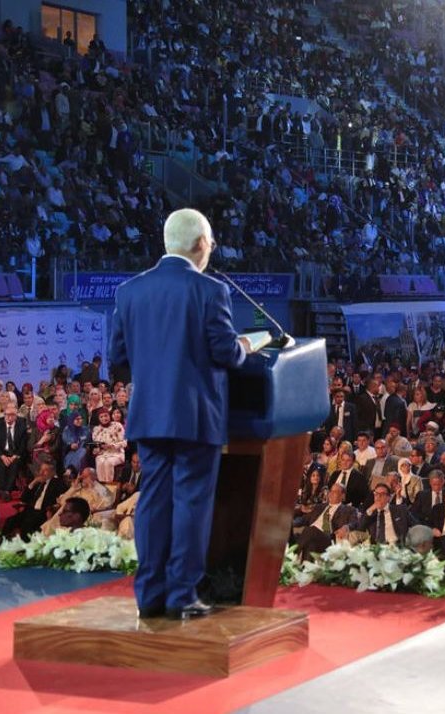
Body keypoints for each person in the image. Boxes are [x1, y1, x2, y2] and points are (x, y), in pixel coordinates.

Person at [108, 208, 254, 620]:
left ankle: (149, 595)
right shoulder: (209, 290)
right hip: (194, 416)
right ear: (200, 244)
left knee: (153, 501)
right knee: (191, 501)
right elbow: (226, 352)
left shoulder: (129, 291)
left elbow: (117, 357)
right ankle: (181, 596)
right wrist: (246, 347)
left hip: (149, 415)